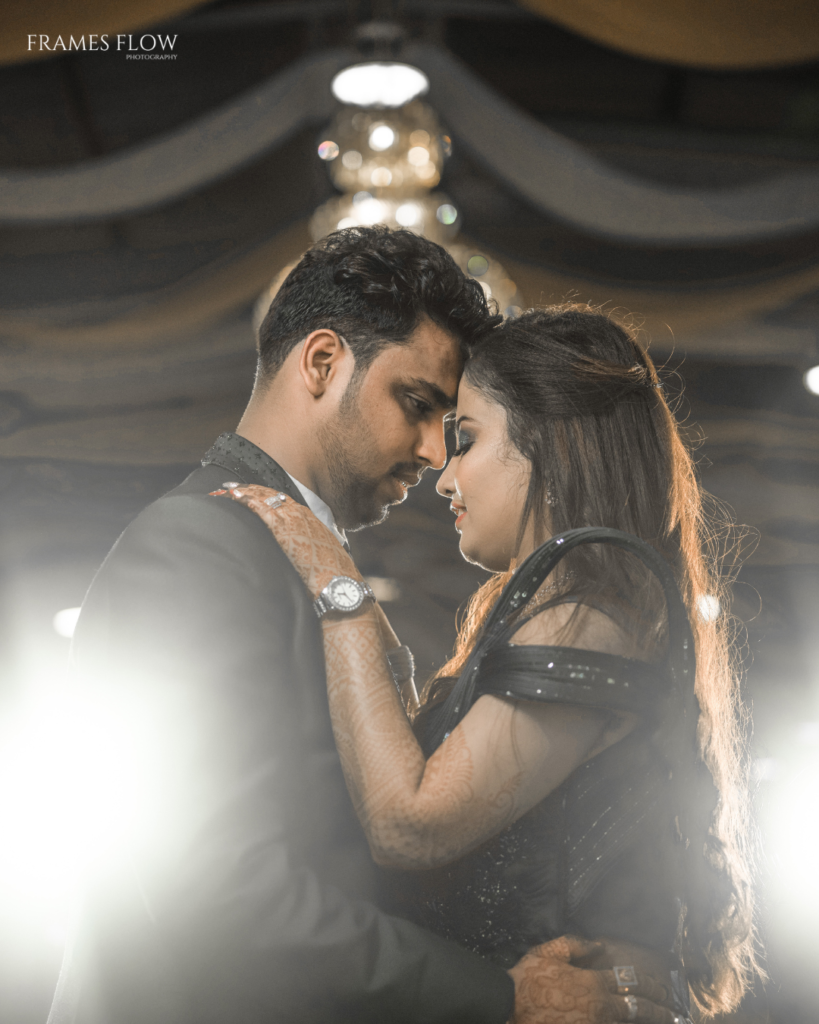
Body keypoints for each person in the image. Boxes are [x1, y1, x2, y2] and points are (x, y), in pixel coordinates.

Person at [53, 231, 673, 1024]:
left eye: (451, 428)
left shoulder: (290, 560)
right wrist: (499, 995)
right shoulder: (198, 545)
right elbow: (208, 886)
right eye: (415, 405)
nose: (429, 453)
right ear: (320, 363)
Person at [226, 304, 759, 1024]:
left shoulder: (591, 613)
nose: (443, 481)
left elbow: (407, 827)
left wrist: (337, 587)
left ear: (552, 445)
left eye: (466, 441)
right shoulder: (578, 608)